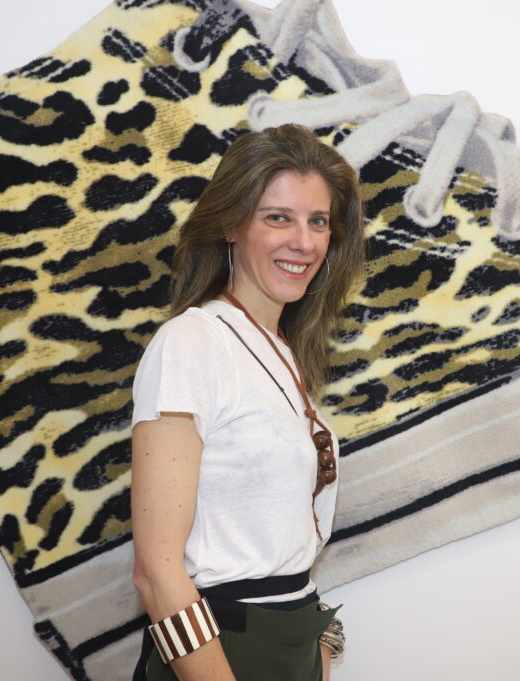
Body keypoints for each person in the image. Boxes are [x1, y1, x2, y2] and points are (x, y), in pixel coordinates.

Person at [130, 123, 366, 681]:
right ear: (231, 225)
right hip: (219, 652)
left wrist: (319, 649)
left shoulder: (280, 349)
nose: (304, 242)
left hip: (289, 649)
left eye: (318, 221)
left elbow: (285, 544)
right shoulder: (191, 343)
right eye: (278, 218)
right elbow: (156, 572)